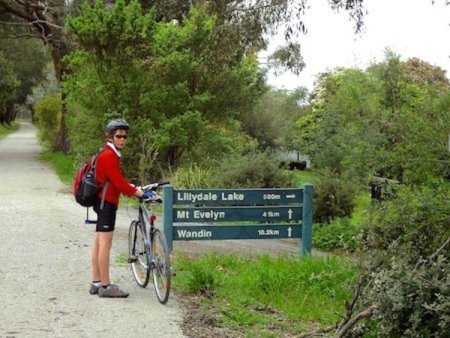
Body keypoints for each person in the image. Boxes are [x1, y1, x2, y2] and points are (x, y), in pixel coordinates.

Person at [89, 118, 154, 298]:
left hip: (103, 202)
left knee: (98, 243)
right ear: (110, 137)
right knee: (105, 245)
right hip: (106, 204)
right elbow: (118, 183)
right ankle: (106, 286)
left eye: (125, 136)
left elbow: (116, 181)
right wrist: (139, 193)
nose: (122, 139)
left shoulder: (108, 153)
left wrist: (132, 189)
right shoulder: (109, 156)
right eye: (118, 136)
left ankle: (96, 282)